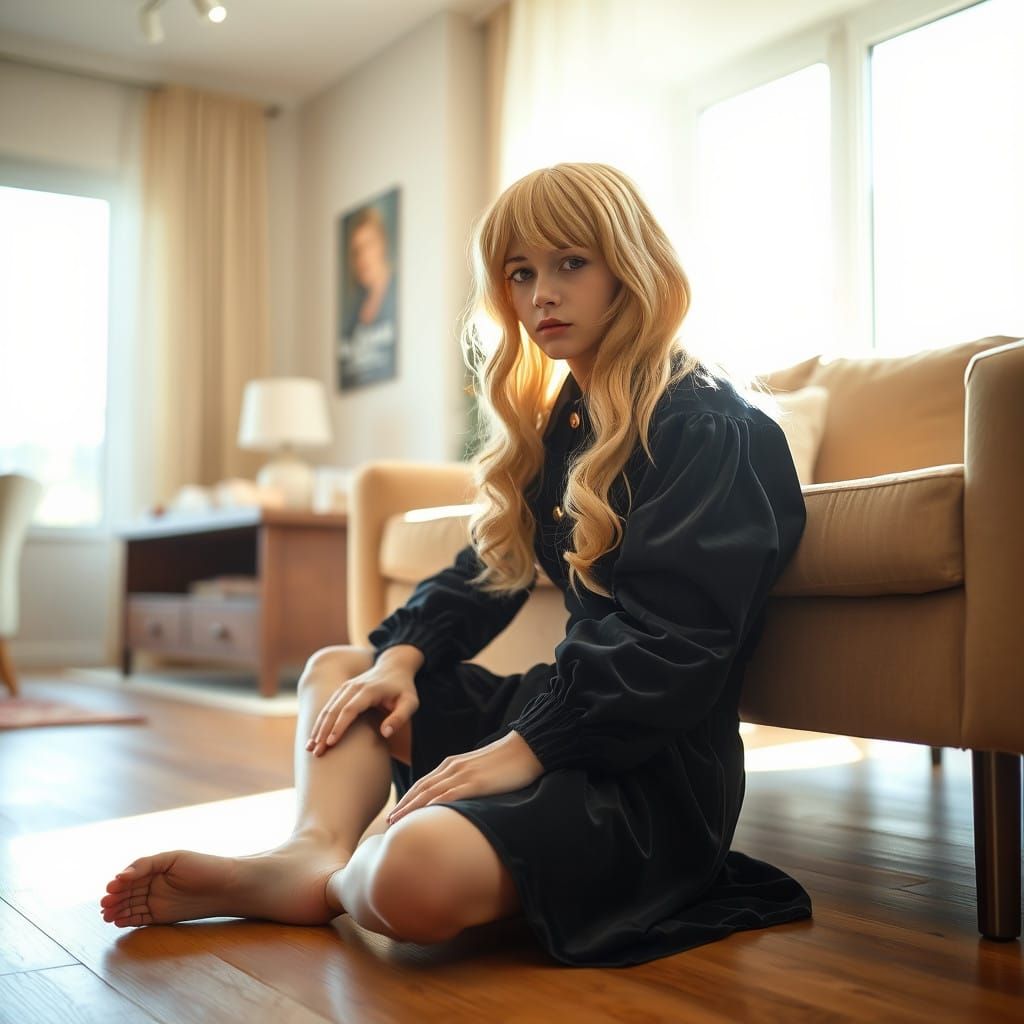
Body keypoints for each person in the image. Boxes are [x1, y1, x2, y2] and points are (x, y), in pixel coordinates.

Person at [100, 163, 811, 967]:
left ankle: (332, 886)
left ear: (629, 267)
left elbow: (674, 645)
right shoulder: (568, 426)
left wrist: (520, 749)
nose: (541, 293)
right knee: (346, 671)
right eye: (520, 273)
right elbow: (488, 569)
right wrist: (402, 658)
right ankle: (311, 851)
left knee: (405, 875)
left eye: (570, 263)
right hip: (562, 713)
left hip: (650, 771)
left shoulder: (712, 428)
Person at [338, 204, 397, 388]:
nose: (363, 257)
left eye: (368, 245)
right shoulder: (355, 307)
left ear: (383, 244)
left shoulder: (395, 296)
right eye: (357, 251)